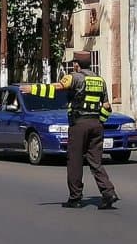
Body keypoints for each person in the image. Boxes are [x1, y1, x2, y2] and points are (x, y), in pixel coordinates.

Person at [21, 51, 120, 210]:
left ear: (76, 64)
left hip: (79, 124)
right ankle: (108, 192)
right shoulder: (100, 81)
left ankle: (75, 198)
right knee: (96, 161)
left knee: (75, 161)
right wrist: (99, 121)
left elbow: (56, 88)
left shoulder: (74, 77)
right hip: (96, 125)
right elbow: (107, 106)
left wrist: (32, 89)